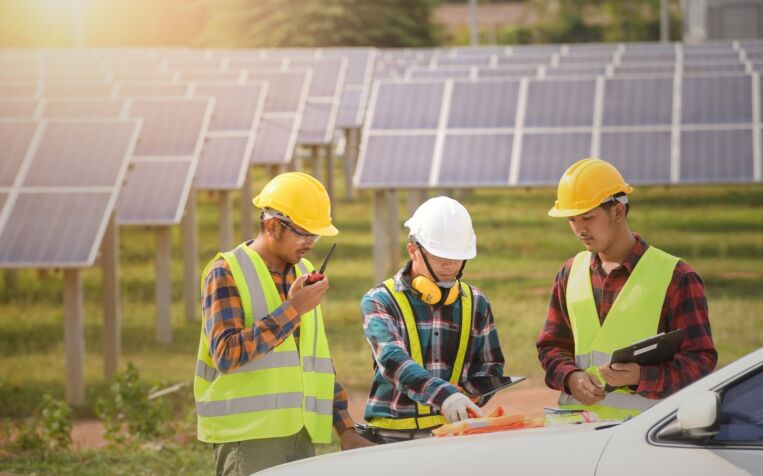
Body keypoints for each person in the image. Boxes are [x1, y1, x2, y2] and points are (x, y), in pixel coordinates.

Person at [193, 172, 373, 475]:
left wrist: (345, 428)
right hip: (249, 438)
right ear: (272, 226)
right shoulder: (226, 271)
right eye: (304, 234)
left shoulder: (303, 271)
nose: (310, 244)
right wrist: (292, 309)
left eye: (316, 236)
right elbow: (226, 353)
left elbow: (314, 361)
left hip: (299, 434)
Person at [537, 158, 718, 420]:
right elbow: (551, 346)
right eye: (572, 220)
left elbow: (700, 361)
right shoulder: (569, 273)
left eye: (587, 217)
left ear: (618, 213)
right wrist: (570, 377)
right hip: (574, 435)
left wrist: (641, 377)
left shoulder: (677, 278)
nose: (579, 229)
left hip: (644, 437)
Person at [359, 196, 505, 443]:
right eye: (441, 259)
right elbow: (392, 360)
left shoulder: (477, 302)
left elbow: (491, 366)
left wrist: (473, 394)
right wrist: (445, 395)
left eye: (458, 259)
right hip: (391, 438)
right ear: (413, 250)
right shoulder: (380, 300)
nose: (450, 267)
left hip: (454, 436)